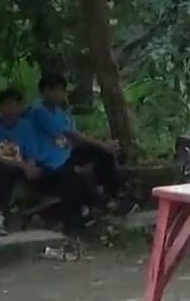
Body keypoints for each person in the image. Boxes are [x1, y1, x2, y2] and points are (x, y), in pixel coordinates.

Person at [28, 72, 127, 209]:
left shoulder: (60, 113)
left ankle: (115, 193)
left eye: (61, 90)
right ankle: (102, 203)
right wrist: (102, 145)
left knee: (103, 154)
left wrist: (100, 147)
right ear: (46, 90)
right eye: (55, 90)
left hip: (66, 152)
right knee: (95, 155)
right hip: (49, 159)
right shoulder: (38, 111)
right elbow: (70, 134)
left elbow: (75, 138)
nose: (60, 94)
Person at [0, 88, 43, 233]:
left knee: (44, 174)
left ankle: (37, 214)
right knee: (1, 176)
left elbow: (31, 153)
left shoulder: (26, 127)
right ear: (0, 107)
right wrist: (23, 166)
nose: (12, 109)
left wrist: (30, 167)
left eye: (16, 105)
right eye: (8, 104)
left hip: (20, 168)